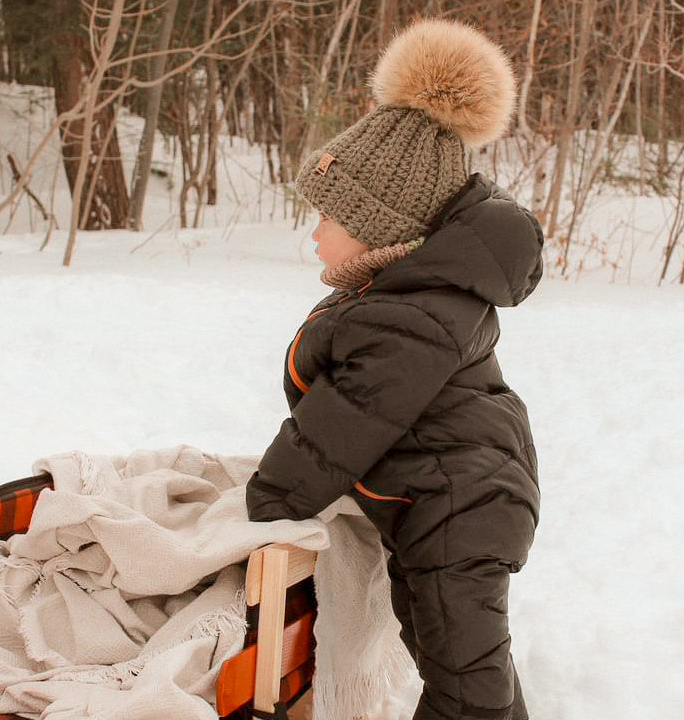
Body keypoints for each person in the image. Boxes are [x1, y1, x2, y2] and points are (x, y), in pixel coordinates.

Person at [246, 18, 542, 720]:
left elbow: (343, 423)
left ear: (381, 227)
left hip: (459, 510)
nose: (313, 230)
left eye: (329, 215)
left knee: (465, 684)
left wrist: (267, 504)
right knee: (462, 662)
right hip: (449, 496)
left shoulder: (404, 317)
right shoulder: (402, 295)